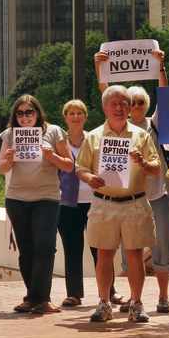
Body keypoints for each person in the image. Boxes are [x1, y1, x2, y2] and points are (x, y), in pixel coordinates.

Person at [93, 49, 169, 314]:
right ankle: (133, 298)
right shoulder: (117, 127)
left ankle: (163, 296)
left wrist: (160, 66)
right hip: (128, 198)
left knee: (162, 248)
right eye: (133, 101)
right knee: (131, 253)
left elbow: (166, 95)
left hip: (156, 195)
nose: (136, 106)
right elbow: (106, 94)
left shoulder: (154, 124)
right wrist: (100, 67)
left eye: (140, 102)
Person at [76, 85, 160, 323]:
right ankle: (104, 303)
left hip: (135, 203)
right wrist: (89, 177)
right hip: (104, 203)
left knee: (134, 255)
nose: (119, 108)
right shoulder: (93, 137)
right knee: (104, 255)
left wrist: (143, 163)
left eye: (124, 103)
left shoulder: (141, 136)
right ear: (104, 107)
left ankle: (136, 303)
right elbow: (80, 168)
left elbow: (156, 169)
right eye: (114, 103)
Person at [0, 95, 72, 314]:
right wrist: (9, 159)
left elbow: (69, 165)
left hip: (46, 197)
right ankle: (33, 297)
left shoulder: (54, 131)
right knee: (26, 249)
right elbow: (1, 167)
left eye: (29, 112)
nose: (25, 117)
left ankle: (42, 298)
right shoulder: (10, 134)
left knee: (45, 247)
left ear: (37, 113)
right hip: (17, 199)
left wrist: (52, 156)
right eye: (20, 113)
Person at [56, 99, 120, 307]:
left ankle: (110, 292)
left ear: (85, 117)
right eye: (71, 113)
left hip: (95, 200)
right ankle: (74, 293)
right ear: (65, 117)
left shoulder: (94, 139)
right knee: (72, 248)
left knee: (102, 249)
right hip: (67, 202)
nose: (75, 117)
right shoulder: (58, 142)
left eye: (79, 113)